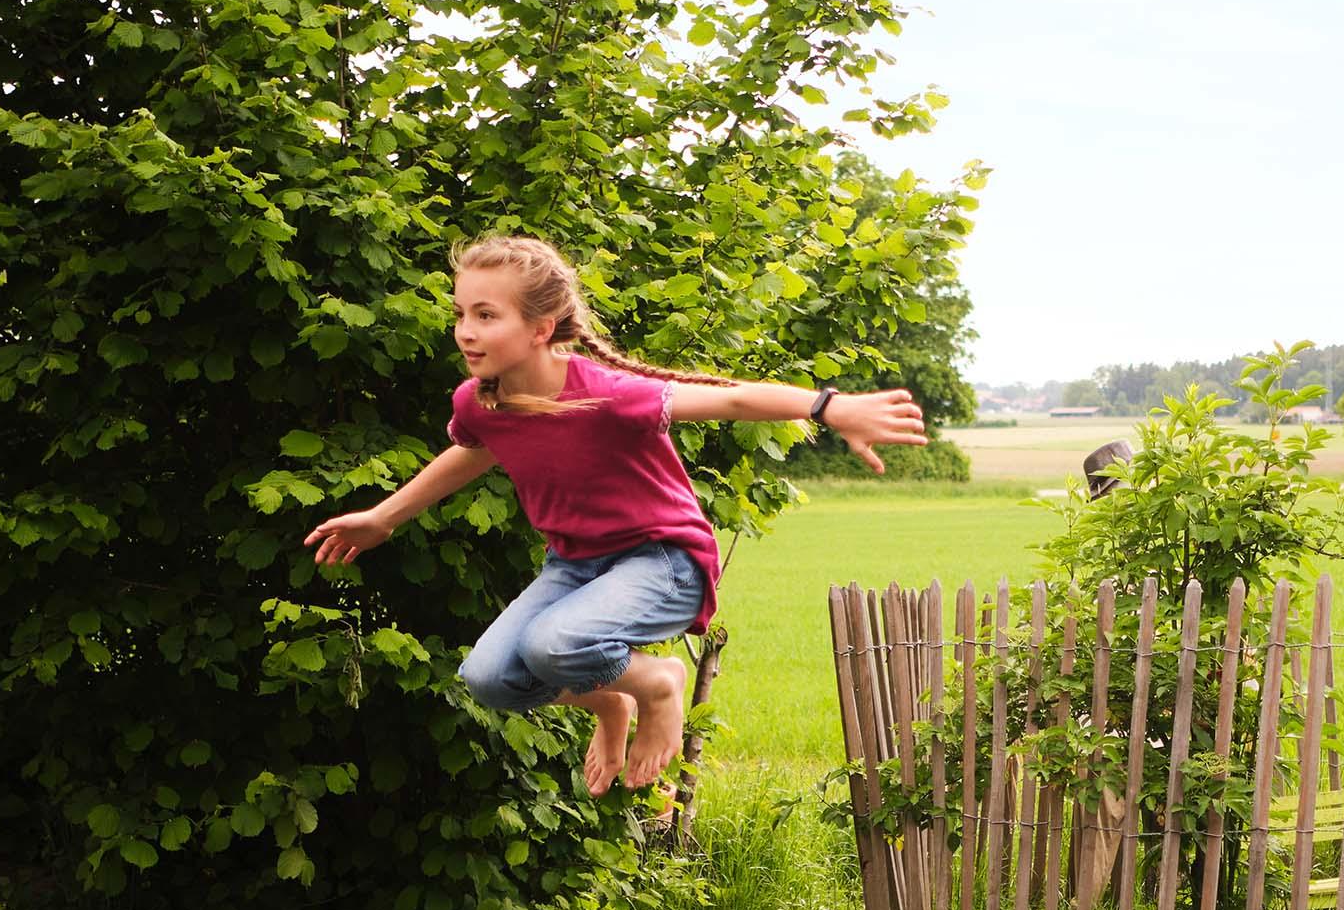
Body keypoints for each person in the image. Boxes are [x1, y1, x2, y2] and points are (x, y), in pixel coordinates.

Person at [302, 234, 925, 797]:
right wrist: (383, 517)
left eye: (486, 315)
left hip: (664, 560)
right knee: (489, 677)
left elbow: (732, 398)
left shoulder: (607, 395)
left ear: (541, 327)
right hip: (575, 564)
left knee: (554, 645)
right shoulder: (483, 399)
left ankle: (657, 685)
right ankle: (612, 705)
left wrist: (829, 407)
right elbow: (471, 451)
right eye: (462, 313)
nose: (466, 329)